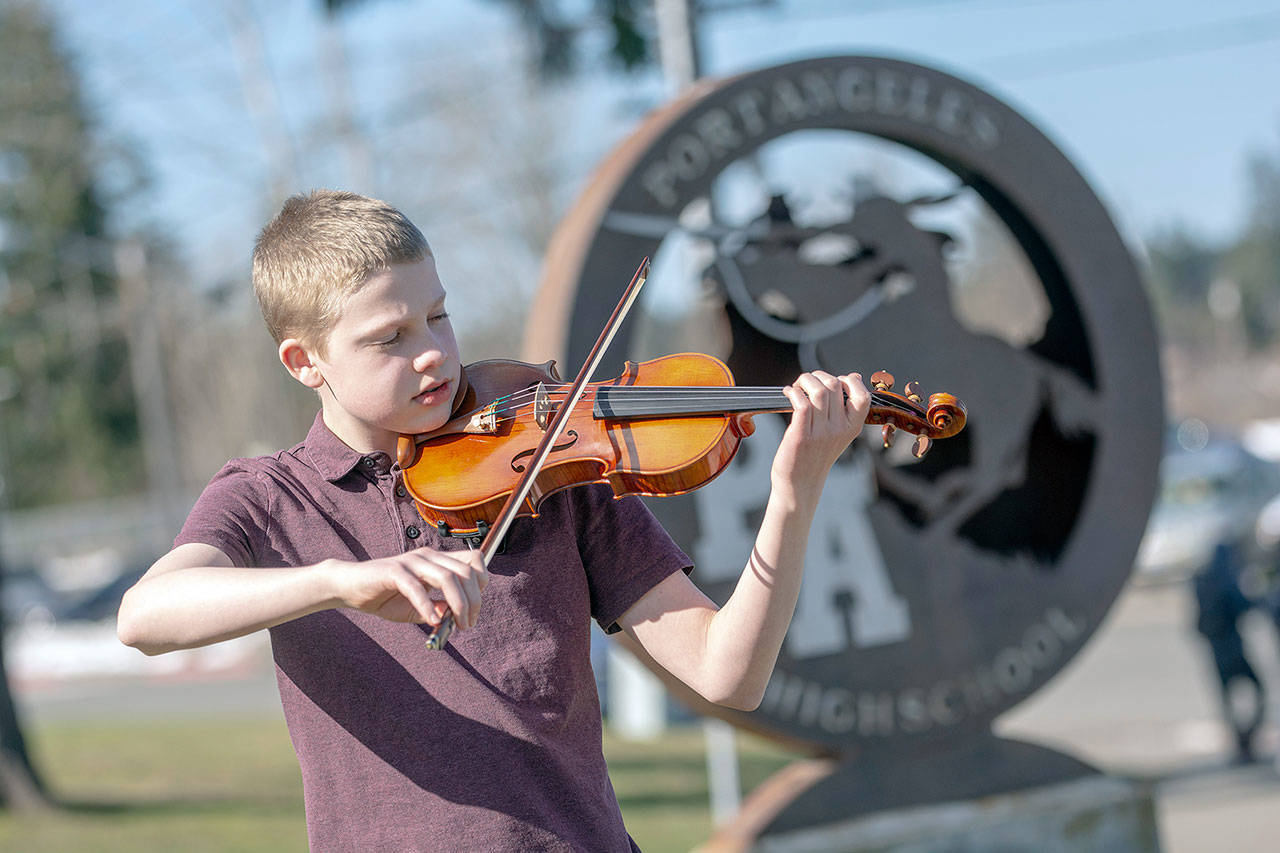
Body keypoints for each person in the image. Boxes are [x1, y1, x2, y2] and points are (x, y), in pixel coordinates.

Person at [116, 190, 871, 851]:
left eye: (439, 316)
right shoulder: (269, 499)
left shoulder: (552, 461)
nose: (434, 355)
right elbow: (146, 616)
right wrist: (338, 583)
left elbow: (728, 673)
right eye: (390, 337)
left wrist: (795, 492)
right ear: (304, 361)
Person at [1192, 540, 1264, 764]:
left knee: (1228, 700)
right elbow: (1242, 605)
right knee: (1257, 691)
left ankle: (1240, 742)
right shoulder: (1225, 581)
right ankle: (1245, 741)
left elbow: (1197, 624)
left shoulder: (1200, 582)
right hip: (1233, 648)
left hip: (1216, 652)